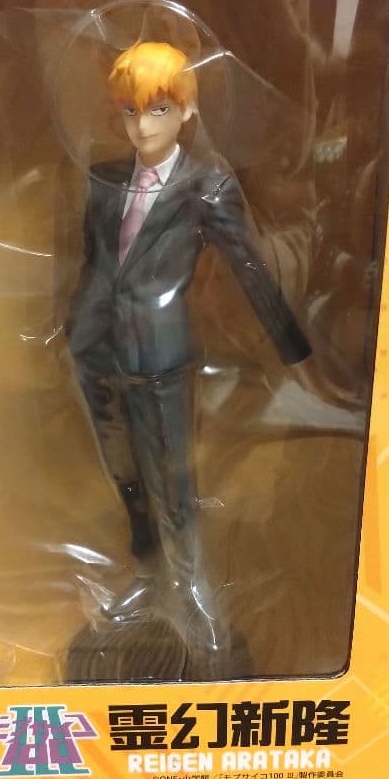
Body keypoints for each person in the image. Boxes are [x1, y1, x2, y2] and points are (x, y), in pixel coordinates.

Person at [65, 40, 311, 676]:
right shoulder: (105, 177)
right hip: (94, 349)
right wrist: (73, 327)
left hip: (159, 355)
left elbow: (248, 265)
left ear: (187, 111)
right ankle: (149, 576)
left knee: (171, 480)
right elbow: (90, 260)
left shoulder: (207, 185)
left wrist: (295, 350)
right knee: (124, 474)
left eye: (159, 110)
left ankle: (191, 589)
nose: (142, 127)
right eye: (130, 111)